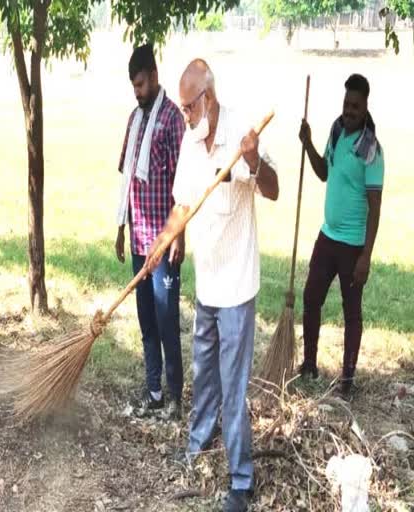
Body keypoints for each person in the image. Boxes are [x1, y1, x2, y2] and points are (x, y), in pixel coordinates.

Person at [149, 59, 279, 512]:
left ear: (209, 96)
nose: (184, 115)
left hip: (238, 290)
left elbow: (275, 189)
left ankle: (241, 480)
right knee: (204, 375)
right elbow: (184, 204)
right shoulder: (191, 141)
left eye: (188, 107)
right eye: (182, 108)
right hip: (208, 286)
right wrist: (163, 241)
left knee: (233, 383)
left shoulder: (241, 131)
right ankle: (198, 445)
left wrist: (253, 161)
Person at [298, 74, 383, 399]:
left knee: (351, 312)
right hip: (327, 236)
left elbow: (375, 208)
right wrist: (307, 144)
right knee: (310, 298)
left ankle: (347, 380)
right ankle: (309, 364)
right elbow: (323, 173)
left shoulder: (371, 150)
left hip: (353, 245)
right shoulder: (336, 130)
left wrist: (366, 256)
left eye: (355, 106)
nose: (349, 111)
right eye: (346, 104)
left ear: (365, 108)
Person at [115, 43, 185, 419]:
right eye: (134, 87)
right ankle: (154, 391)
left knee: (166, 319)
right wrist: (121, 229)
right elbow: (127, 178)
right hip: (140, 238)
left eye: (141, 84)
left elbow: (184, 185)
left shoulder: (173, 120)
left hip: (165, 240)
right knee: (146, 320)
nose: (138, 92)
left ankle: (175, 397)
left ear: (155, 76)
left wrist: (180, 236)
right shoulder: (135, 119)